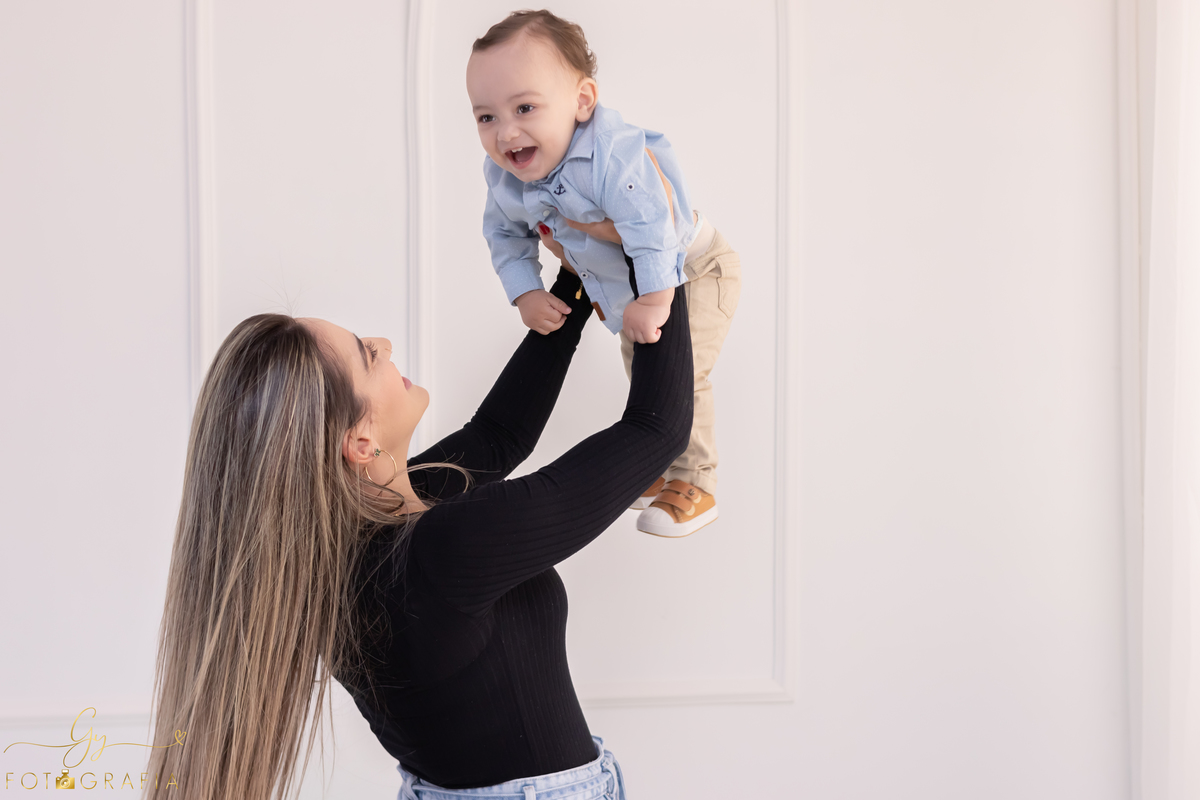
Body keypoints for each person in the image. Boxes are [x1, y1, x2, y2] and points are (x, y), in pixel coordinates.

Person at [142, 253, 692, 800]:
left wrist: (575, 275)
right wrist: (654, 246)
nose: (382, 343)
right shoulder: (437, 554)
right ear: (360, 442)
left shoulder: (358, 538)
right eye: (365, 354)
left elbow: (501, 433)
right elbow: (655, 431)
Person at [468, 9, 742, 537]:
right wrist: (524, 290)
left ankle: (695, 480)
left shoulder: (613, 155)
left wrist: (657, 301)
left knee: (683, 372)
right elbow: (505, 234)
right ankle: (658, 469)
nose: (506, 133)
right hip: (628, 286)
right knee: (643, 368)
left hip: (696, 269)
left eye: (525, 107)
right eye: (486, 117)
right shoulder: (504, 177)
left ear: (582, 101)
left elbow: (652, 226)